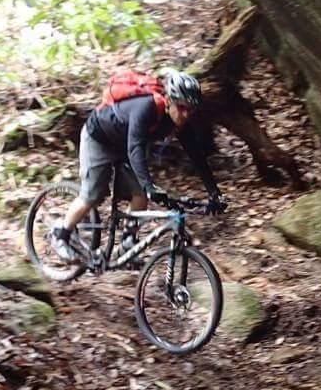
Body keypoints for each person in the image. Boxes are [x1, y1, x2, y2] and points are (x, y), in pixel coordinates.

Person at [52, 70, 224, 260]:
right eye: (182, 107)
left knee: (140, 195)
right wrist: (148, 185)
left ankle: (127, 244)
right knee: (92, 193)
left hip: (124, 145)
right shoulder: (147, 107)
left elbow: (197, 156)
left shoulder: (179, 124)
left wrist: (214, 193)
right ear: (169, 100)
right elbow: (135, 149)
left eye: (190, 110)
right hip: (99, 138)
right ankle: (61, 234)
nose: (185, 114)